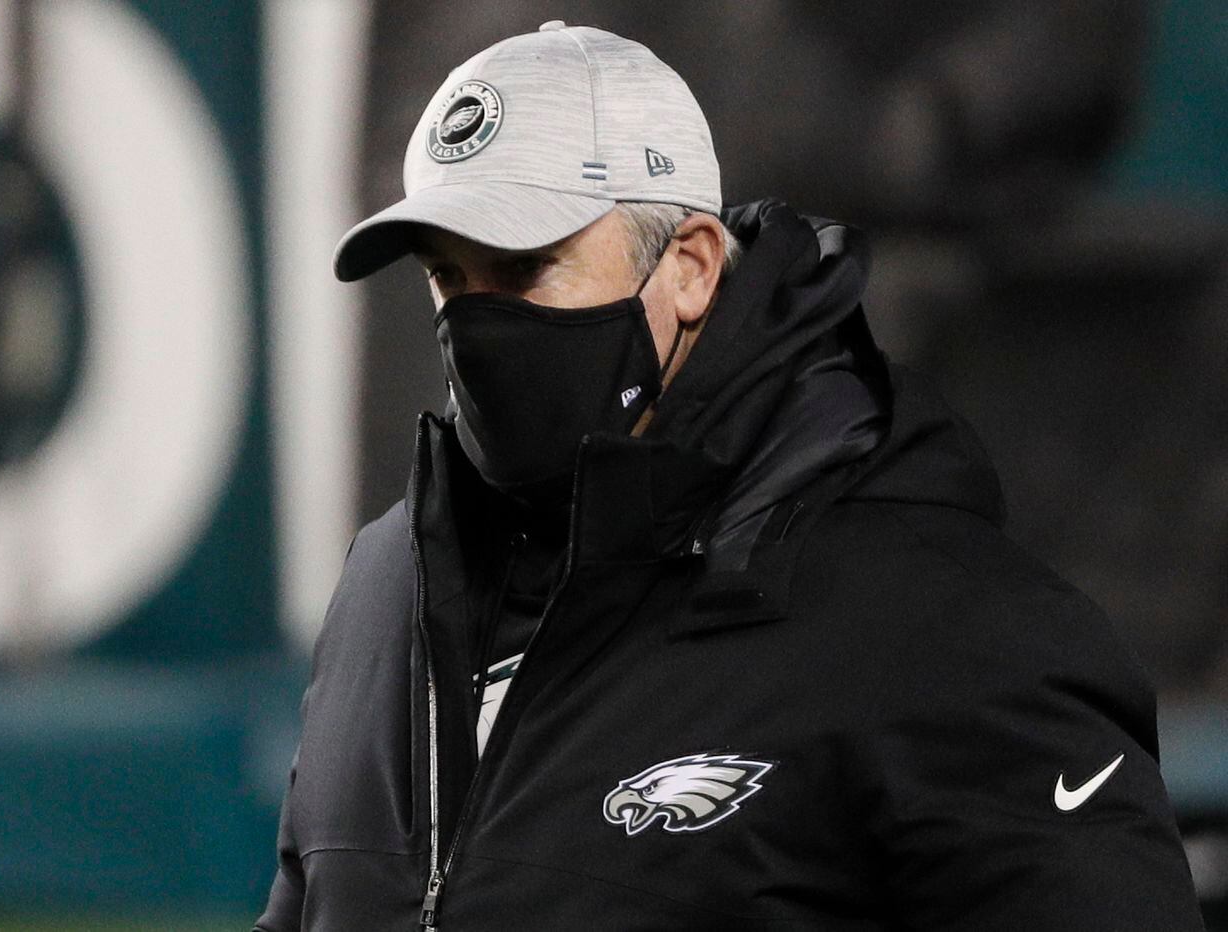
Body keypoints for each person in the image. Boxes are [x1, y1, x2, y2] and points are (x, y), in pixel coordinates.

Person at [255, 22, 1203, 931]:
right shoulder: (390, 588)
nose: (475, 322)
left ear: (692, 268)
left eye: (524, 267)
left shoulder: (937, 619)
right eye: (448, 277)